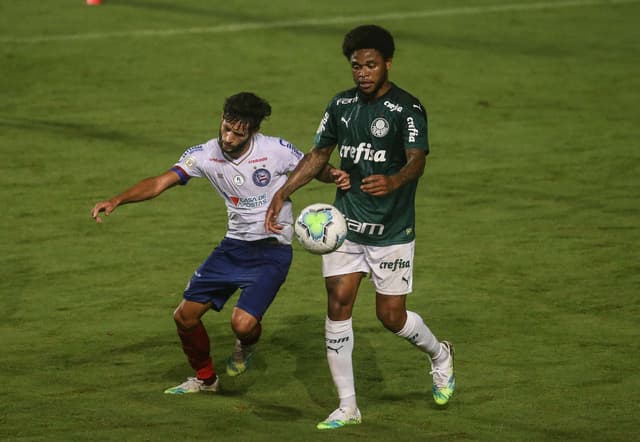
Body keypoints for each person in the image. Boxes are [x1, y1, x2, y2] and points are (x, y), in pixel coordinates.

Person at [265, 25, 455, 429]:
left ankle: (439, 354)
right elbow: (319, 154)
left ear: (387, 63)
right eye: (356, 66)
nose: (363, 72)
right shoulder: (341, 105)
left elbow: (417, 159)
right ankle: (347, 407)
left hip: (391, 230)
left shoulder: (407, 109)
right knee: (338, 306)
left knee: (391, 317)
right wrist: (284, 191)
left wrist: (394, 181)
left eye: (371, 65)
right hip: (346, 228)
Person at [91, 92, 307, 394]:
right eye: (226, 127)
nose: (229, 137)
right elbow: (159, 182)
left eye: (238, 133)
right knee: (184, 316)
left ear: (253, 131)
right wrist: (117, 199)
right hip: (233, 248)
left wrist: (333, 175)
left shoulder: (275, 150)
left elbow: (311, 166)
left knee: (242, 325)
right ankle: (206, 380)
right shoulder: (204, 155)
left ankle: (246, 345)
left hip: (272, 250)